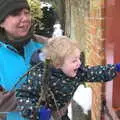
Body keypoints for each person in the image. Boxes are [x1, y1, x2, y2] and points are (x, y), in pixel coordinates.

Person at [16, 36, 120, 120]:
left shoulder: (76, 72)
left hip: (62, 115)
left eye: (79, 58)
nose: (79, 63)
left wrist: (115, 69)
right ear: (57, 64)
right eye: (74, 60)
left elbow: (93, 72)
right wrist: (36, 112)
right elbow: (23, 96)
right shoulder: (39, 76)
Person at [0, 0, 47, 119]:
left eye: (26, 12)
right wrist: (30, 98)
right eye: (16, 14)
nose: (25, 18)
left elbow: (66, 82)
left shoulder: (47, 46)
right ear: (1, 22)